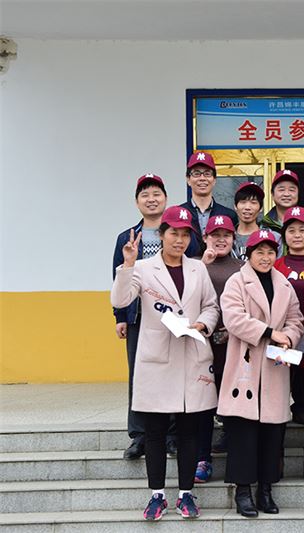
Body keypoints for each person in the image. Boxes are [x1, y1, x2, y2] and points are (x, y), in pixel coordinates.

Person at [110, 205, 220, 521]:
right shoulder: (143, 268)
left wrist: (202, 324)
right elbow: (120, 300)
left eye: (185, 234)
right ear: (161, 234)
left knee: (188, 431)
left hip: (191, 356)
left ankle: (186, 494)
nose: (179, 240)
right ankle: (156, 495)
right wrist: (127, 265)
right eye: (173, 233)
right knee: (156, 432)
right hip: (157, 359)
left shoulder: (198, 269)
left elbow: (211, 306)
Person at [217, 229, 304, 517]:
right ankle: (243, 491)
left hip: (274, 365)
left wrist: (289, 336)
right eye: (259, 252)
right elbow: (233, 318)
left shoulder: (284, 284)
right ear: (249, 254)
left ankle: (265, 490)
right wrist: (269, 332)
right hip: (246, 363)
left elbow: (296, 319)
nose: (265, 257)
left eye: (270, 252)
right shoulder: (236, 281)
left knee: (271, 434)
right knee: (243, 432)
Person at [112, 173, 172, 460]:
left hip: (171, 317)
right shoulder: (126, 237)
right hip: (137, 315)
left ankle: (171, 434)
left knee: (171, 373)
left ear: (166, 199)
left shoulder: (176, 233)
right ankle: (139, 435)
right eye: (145, 195)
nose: (151, 199)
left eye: (156, 194)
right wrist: (120, 316)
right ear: (137, 202)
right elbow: (118, 277)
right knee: (139, 375)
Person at [193, 215, 243, 483]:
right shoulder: (194, 265)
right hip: (201, 346)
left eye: (226, 235)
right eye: (215, 235)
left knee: (234, 404)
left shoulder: (243, 267)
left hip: (235, 346)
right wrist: (203, 264)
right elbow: (186, 298)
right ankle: (202, 458)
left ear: (234, 239)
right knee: (203, 406)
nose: (221, 240)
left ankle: (236, 459)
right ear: (205, 238)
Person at [273, 206, 304, 481]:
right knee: (279, 399)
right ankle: (275, 457)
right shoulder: (276, 264)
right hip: (282, 343)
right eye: (291, 230)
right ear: (284, 235)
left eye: (302, 229)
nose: (297, 234)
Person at [179, 151, 238, 258]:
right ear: (188, 179)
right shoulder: (179, 214)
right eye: (196, 174)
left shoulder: (229, 215)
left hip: (221, 268)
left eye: (207, 174)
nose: (202, 178)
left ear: (214, 180)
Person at [262, 169, 301, 254]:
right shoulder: (263, 225)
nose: (286, 194)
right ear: (272, 194)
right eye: (281, 189)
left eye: (291, 190)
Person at [232, 181, 266, 260]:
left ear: (261, 208)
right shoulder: (226, 237)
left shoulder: (273, 237)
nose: (247, 207)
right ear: (235, 206)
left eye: (253, 202)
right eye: (243, 202)